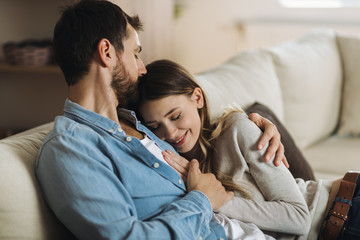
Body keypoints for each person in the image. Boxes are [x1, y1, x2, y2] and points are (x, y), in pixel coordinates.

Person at [35, 1, 288, 239]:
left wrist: (255, 122)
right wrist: (202, 199)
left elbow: (194, 113)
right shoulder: (70, 148)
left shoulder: (136, 119)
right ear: (107, 53)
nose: (142, 68)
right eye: (135, 54)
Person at [137, 59, 360, 240]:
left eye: (176, 116)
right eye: (155, 126)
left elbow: (299, 217)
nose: (171, 132)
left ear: (197, 98)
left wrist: (218, 199)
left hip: (348, 208)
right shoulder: (172, 164)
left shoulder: (236, 130)